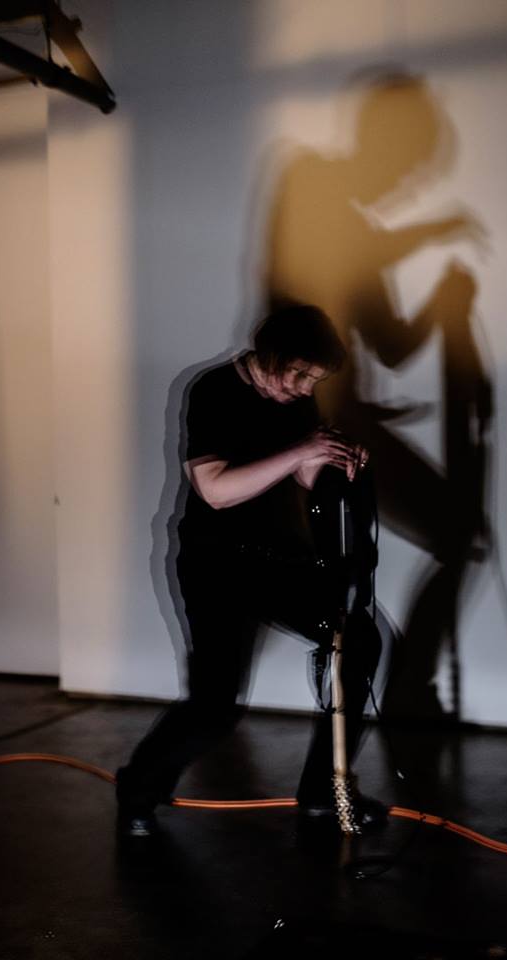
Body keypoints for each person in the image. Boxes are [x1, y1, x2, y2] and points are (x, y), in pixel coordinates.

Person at [116, 304, 386, 837]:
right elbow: (215, 489)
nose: (305, 388)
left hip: (275, 559)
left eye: (314, 380)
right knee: (215, 705)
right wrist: (301, 450)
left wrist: (333, 459)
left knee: (358, 640)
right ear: (271, 355)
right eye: (300, 374)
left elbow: (303, 475)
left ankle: (323, 790)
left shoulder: (295, 400)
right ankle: (138, 787)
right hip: (214, 565)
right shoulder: (213, 390)